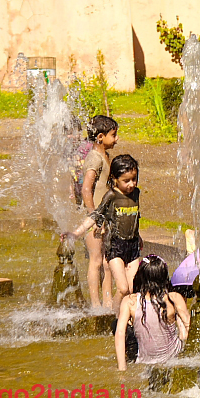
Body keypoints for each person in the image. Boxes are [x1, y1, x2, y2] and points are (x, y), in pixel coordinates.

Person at [65, 154, 142, 315]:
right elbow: (96, 215)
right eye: (126, 181)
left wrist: (138, 236)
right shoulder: (112, 196)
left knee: (133, 289)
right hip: (116, 247)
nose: (131, 184)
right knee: (122, 288)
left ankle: (126, 319)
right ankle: (115, 318)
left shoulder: (136, 193)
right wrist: (76, 233)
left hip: (133, 247)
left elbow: (134, 217)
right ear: (115, 179)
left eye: (134, 179)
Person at [114, 255, 190, 370]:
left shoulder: (130, 301)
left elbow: (120, 333)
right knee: (179, 319)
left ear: (140, 276)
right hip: (174, 357)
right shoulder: (174, 298)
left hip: (144, 361)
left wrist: (122, 368)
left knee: (115, 324)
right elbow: (190, 325)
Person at [80, 115, 118, 309]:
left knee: (106, 261)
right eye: (114, 135)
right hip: (95, 218)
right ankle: (96, 304)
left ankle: (108, 300)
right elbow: (86, 189)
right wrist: (94, 216)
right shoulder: (95, 158)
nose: (117, 139)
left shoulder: (105, 156)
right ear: (101, 137)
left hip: (105, 218)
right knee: (96, 260)